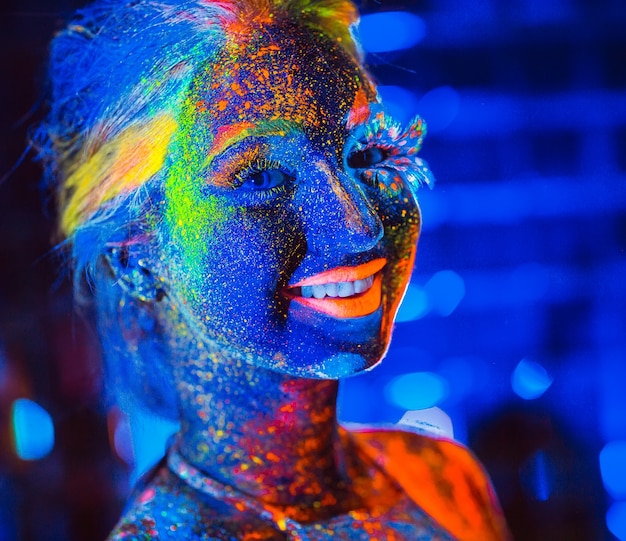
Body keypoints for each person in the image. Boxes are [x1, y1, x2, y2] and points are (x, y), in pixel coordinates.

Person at [36, 0, 512, 539]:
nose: (359, 227)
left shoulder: (443, 477)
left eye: (366, 153)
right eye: (260, 175)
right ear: (136, 255)